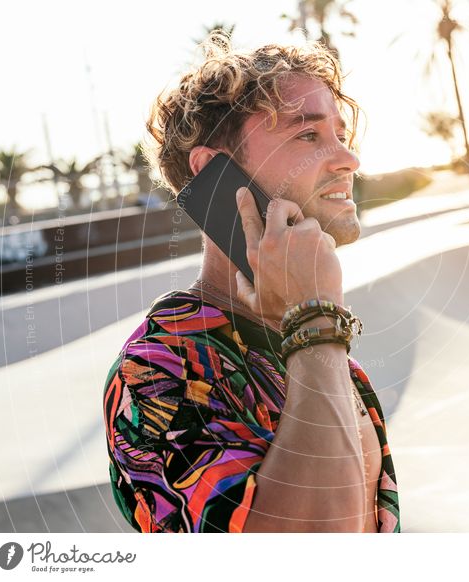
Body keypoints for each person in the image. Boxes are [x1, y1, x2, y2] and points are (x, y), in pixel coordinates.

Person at [102, 35, 400, 533]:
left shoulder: (325, 352)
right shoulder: (159, 368)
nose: (348, 159)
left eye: (341, 134)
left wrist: (315, 328)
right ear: (215, 172)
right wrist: (316, 324)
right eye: (307, 136)